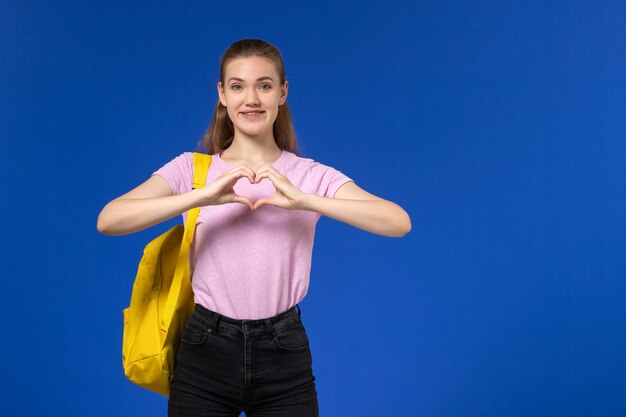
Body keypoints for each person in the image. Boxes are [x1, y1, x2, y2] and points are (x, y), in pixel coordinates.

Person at [97, 38, 411, 417]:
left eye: (264, 85)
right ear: (222, 95)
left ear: (282, 93)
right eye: (237, 86)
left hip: (284, 351)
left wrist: (305, 200)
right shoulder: (191, 171)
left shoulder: (309, 175)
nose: (251, 98)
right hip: (204, 348)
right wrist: (201, 197)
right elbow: (110, 219)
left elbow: (398, 222)